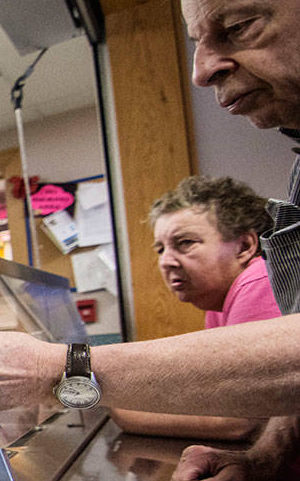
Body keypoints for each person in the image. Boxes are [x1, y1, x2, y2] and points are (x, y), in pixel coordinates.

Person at [0, 0, 300, 481]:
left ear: (247, 245)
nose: (202, 71)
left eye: (239, 27)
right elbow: (282, 393)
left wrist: (58, 371)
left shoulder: (253, 285)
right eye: (198, 41)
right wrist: (264, 458)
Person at [111, 175, 277, 440]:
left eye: (185, 243)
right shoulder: (216, 303)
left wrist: (117, 410)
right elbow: (213, 393)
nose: (165, 262)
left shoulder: (259, 281)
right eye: (160, 249)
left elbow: (244, 419)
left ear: (245, 246)